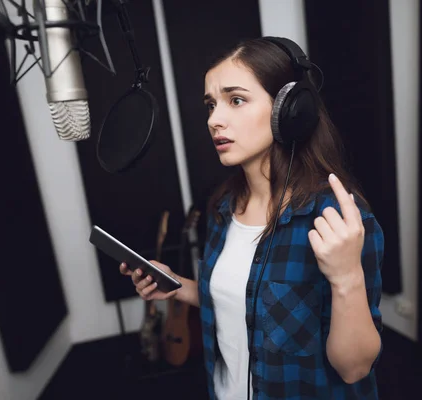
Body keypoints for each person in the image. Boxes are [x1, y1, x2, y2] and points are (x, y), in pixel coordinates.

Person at [119, 36, 384, 400]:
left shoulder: (337, 220)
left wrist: (347, 277)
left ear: (289, 109)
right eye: (210, 105)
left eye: (236, 100)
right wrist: (177, 285)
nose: (214, 119)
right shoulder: (224, 206)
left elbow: (354, 368)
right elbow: (244, 302)